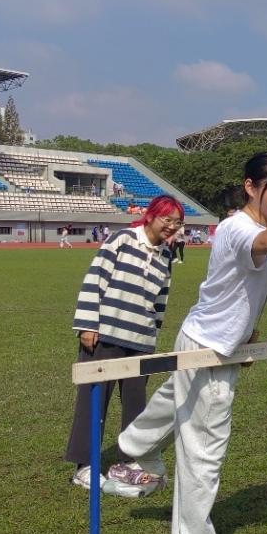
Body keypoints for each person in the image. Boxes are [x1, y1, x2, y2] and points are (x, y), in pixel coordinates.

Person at [113, 152, 267, 534]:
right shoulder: (237, 228)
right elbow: (264, 247)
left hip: (204, 340)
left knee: (174, 401)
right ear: (250, 187)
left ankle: (135, 447)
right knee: (203, 455)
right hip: (210, 350)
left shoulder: (255, 232)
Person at [66, 195, 185, 495]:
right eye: (167, 219)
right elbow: (94, 279)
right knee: (94, 400)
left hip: (140, 340)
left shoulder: (166, 255)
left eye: (177, 222)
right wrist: (87, 324)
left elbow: (160, 301)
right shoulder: (122, 240)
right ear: (151, 216)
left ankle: (130, 461)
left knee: (136, 405)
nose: (172, 226)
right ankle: (84, 466)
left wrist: (152, 335)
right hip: (105, 334)